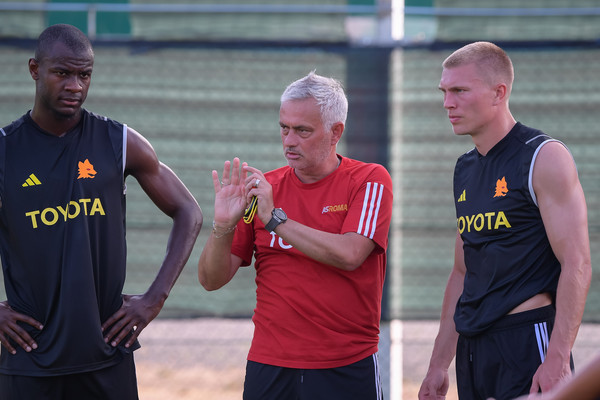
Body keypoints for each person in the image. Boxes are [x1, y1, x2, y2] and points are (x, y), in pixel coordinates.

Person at [0, 24, 203, 399]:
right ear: (34, 70)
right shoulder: (6, 150)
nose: (75, 85)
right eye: (62, 73)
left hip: (107, 355)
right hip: (29, 359)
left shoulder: (119, 142)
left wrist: (154, 298)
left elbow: (188, 211)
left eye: (84, 75)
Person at [197, 71, 393, 400]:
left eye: (302, 130)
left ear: (336, 132)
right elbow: (211, 280)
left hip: (345, 364)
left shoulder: (369, 180)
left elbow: (350, 254)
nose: (289, 140)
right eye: (284, 128)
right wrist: (223, 225)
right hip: (268, 364)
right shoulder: (262, 191)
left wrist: (275, 220)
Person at [418, 41, 591, 400]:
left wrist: (557, 357)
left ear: (499, 92)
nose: (448, 103)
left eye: (459, 91)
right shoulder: (464, 168)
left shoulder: (544, 157)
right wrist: (438, 365)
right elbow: (462, 272)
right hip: (473, 344)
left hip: (526, 339)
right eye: (444, 92)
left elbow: (577, 263)